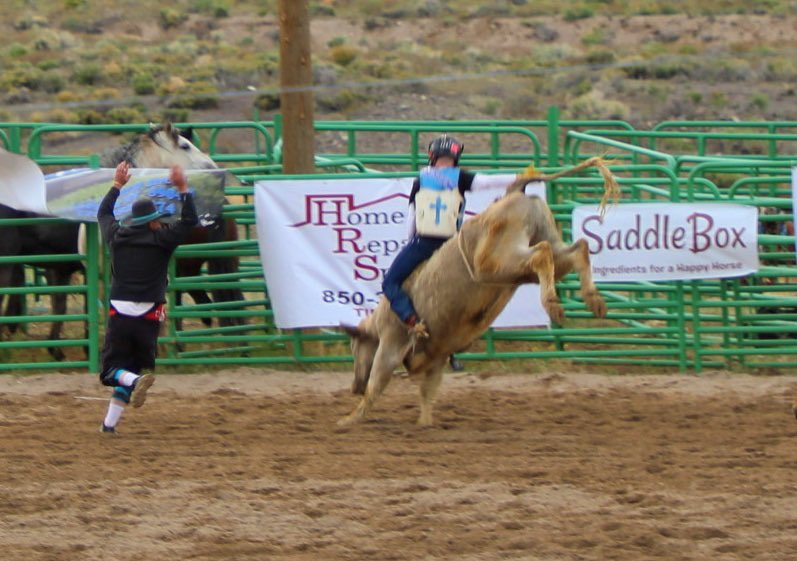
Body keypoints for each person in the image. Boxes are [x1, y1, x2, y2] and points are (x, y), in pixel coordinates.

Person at [381, 134, 526, 370]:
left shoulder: (421, 180)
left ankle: (411, 320)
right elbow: (487, 182)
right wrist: (520, 177)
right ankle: (451, 353)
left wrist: (411, 245)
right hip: (452, 246)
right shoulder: (460, 179)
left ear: (432, 157)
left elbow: (412, 218)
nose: (447, 164)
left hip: (424, 243)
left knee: (391, 283)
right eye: (447, 160)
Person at [96, 161, 198, 434]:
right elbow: (189, 221)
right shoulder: (162, 240)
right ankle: (108, 425)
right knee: (128, 369)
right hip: (151, 316)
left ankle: (135, 381)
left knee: (111, 372)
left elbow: (103, 213)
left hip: (121, 313)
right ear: (153, 221)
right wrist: (183, 188)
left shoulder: (116, 237)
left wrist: (117, 185)